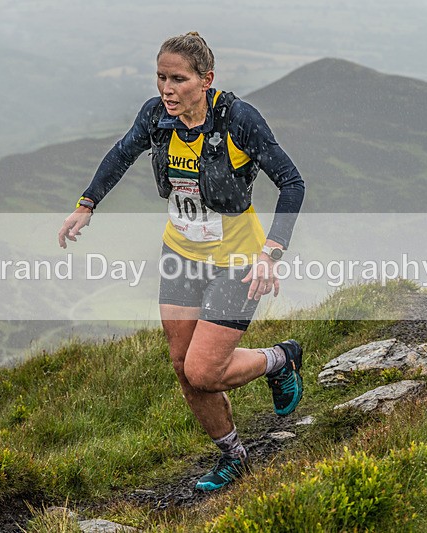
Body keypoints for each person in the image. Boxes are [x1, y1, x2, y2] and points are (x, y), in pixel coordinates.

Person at [58, 32, 305, 492]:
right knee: (181, 366)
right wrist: (87, 203)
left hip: (237, 260)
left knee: (204, 371)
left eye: (178, 79)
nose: (166, 89)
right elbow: (122, 152)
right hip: (181, 255)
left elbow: (292, 183)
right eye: (160, 78)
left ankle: (281, 360)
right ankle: (234, 455)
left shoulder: (238, 121)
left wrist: (272, 252)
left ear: (206, 80)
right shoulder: (157, 118)